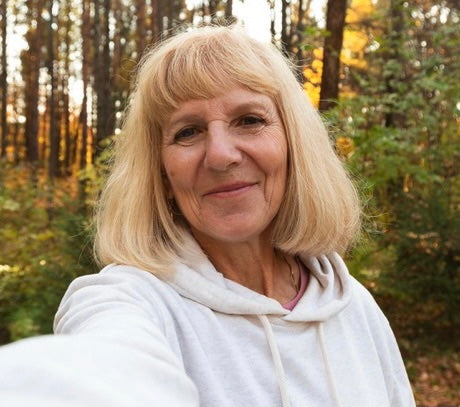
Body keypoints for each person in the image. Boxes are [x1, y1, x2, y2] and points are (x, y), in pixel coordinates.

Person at [0, 25, 415, 407]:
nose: (220, 155)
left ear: (293, 146)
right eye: (188, 132)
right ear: (161, 173)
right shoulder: (130, 302)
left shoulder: (353, 304)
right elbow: (101, 370)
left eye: (249, 120)